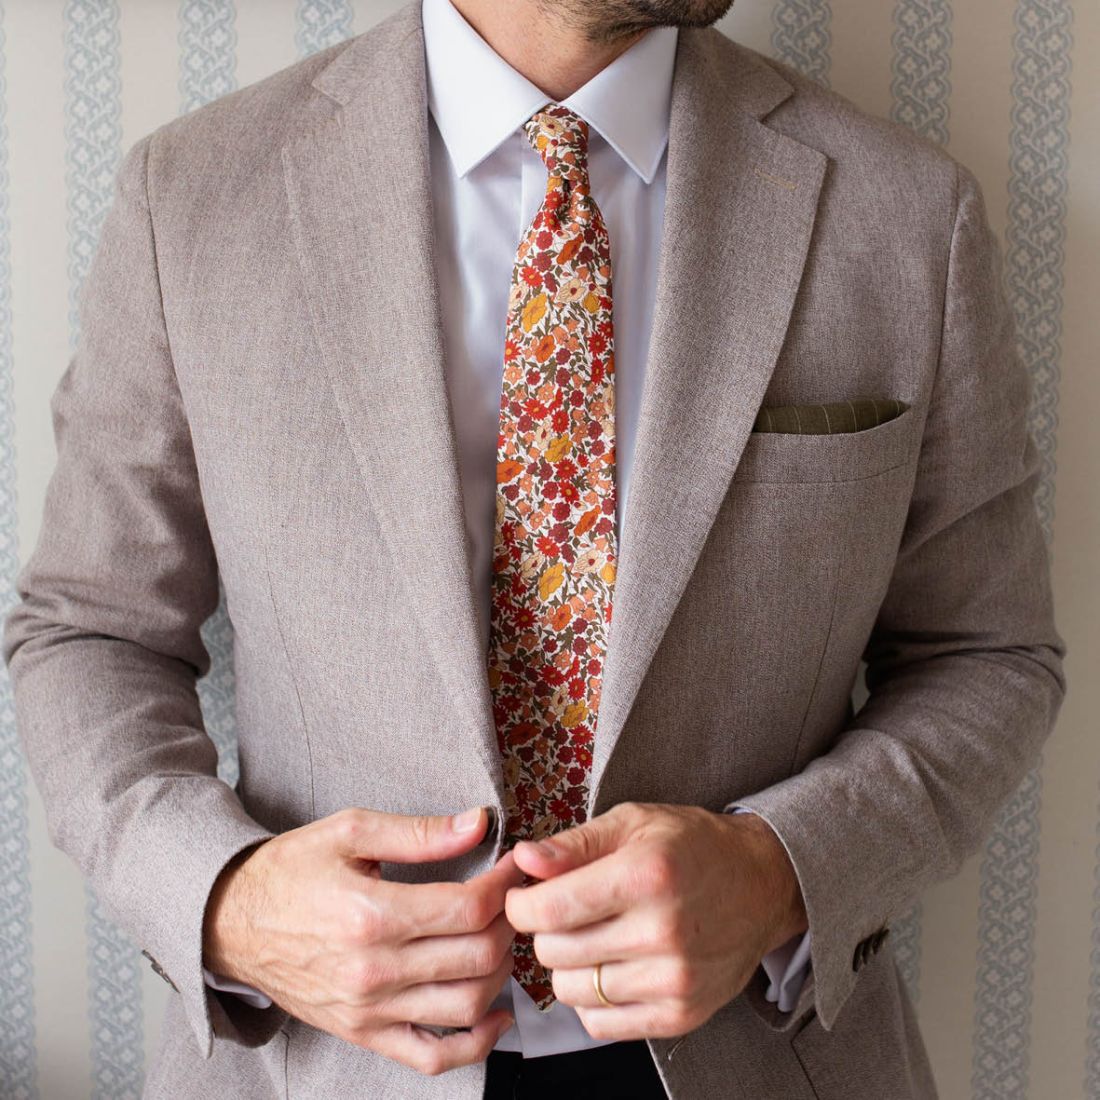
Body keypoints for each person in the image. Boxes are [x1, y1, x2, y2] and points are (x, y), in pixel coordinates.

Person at [2, 0, 1065, 1096]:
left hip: (758, 1049)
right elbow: (91, 633)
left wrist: (775, 871)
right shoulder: (193, 197)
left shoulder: (903, 215)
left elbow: (986, 654)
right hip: (318, 1064)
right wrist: (227, 901)